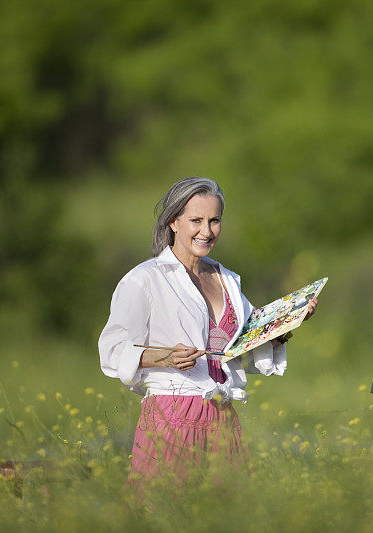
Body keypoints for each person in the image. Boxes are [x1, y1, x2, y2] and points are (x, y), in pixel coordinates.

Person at [98, 177, 317, 484]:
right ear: (173, 222)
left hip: (223, 413)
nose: (207, 231)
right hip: (171, 414)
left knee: (226, 516)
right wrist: (164, 357)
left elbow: (241, 348)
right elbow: (112, 351)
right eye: (196, 220)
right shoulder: (144, 280)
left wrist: (285, 324)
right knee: (165, 514)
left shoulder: (227, 279)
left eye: (214, 221)